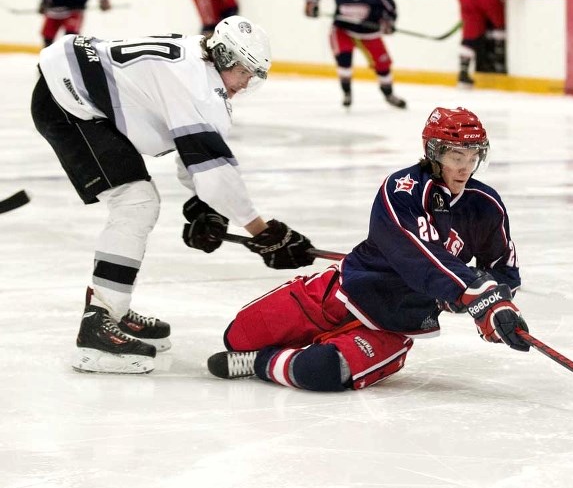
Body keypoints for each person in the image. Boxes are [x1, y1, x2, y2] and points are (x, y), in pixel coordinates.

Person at [31, 16, 317, 375]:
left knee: (139, 200)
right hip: (68, 103)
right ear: (226, 58)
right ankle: (97, 327)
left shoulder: (196, 61)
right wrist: (263, 232)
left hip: (70, 87)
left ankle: (112, 310)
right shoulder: (200, 87)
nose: (245, 84)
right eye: (244, 72)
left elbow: (192, 151)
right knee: (136, 202)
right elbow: (213, 173)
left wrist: (207, 209)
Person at [207, 106, 530, 390]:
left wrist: (496, 305)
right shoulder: (403, 189)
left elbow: (502, 267)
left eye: (473, 157)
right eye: (456, 156)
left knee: (320, 371)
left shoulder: (485, 204)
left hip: (394, 323)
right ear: (433, 152)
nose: (465, 167)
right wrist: (469, 291)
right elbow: (417, 254)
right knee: (238, 337)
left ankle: (261, 363)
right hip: (342, 292)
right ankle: (268, 352)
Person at [305, 0, 406, 109]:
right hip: (343, 30)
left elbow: (391, 9)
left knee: (383, 63)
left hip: (369, 33)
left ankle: (388, 94)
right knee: (344, 59)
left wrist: (388, 23)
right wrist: (312, 2)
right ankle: (347, 92)